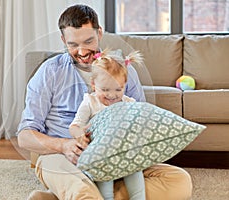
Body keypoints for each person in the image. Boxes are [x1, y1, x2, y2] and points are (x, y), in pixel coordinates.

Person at [17, 4, 192, 200]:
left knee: (179, 181)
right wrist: (64, 145)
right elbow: (25, 136)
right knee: (68, 177)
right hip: (64, 159)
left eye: (88, 41)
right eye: (73, 44)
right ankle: (82, 192)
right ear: (63, 40)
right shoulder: (48, 72)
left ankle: (62, 197)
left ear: (99, 33)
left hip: (118, 161)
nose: (82, 51)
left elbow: (141, 120)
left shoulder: (124, 71)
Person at [69, 50, 146, 200]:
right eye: (105, 90)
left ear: (125, 85)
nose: (111, 95)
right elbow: (74, 126)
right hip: (101, 157)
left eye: (118, 89)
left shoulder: (129, 104)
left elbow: (140, 126)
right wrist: (80, 135)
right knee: (104, 185)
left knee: (136, 174)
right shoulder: (90, 103)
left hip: (125, 154)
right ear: (93, 85)